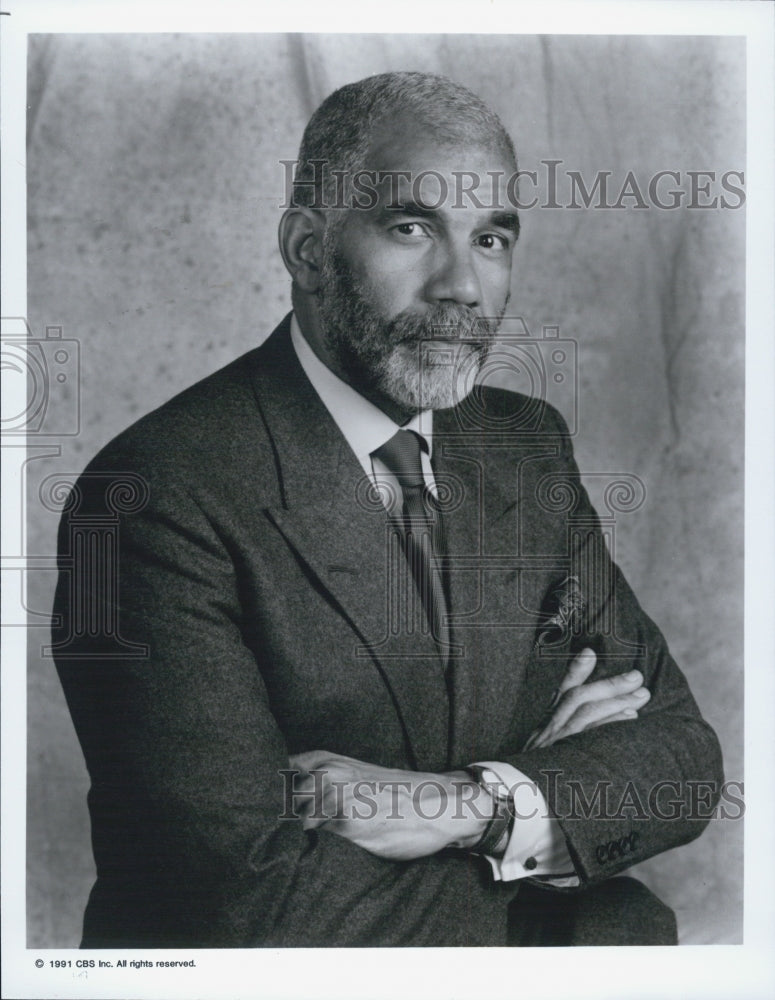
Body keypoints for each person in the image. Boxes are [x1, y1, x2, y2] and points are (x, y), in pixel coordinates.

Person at [53, 71, 723, 948]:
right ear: (303, 248)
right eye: (411, 228)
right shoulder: (147, 498)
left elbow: (683, 764)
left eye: (491, 238)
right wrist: (558, 831)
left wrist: (462, 806)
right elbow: (243, 906)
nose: (461, 285)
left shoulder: (523, 444)